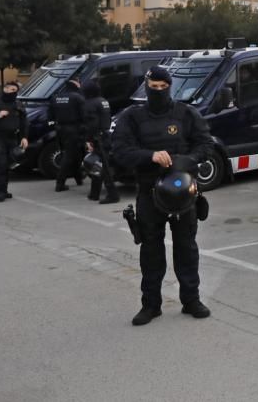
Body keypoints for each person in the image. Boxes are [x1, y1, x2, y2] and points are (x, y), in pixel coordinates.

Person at [112, 67, 214, 326]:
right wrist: (150, 156)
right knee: (151, 251)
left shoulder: (186, 113)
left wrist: (187, 160)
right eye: (153, 86)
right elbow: (120, 151)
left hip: (183, 193)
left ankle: (191, 300)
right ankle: (151, 305)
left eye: (163, 87)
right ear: (146, 85)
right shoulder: (132, 117)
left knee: (187, 249)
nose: (158, 91)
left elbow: (205, 144)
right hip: (149, 193)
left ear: (170, 86)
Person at [82, 79, 119, 204]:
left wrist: (88, 139)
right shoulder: (103, 101)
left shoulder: (89, 103)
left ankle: (113, 195)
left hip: (98, 137)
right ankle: (94, 193)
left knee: (104, 168)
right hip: (106, 135)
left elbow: (91, 124)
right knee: (98, 164)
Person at [49, 78, 86, 192]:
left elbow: (50, 115)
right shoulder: (78, 97)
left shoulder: (56, 97)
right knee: (70, 155)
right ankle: (60, 183)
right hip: (74, 129)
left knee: (74, 154)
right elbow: (84, 115)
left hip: (60, 129)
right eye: (79, 83)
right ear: (75, 85)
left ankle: (78, 177)